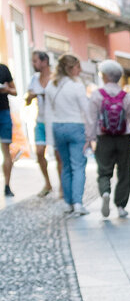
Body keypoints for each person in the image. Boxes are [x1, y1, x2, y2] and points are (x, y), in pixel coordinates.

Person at [87, 59, 130, 218]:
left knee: (104, 171)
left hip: (104, 138)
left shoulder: (97, 95)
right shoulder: (126, 96)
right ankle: (121, 206)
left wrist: (89, 140)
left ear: (104, 76)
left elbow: (91, 119)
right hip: (123, 137)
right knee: (124, 171)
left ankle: (105, 192)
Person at [44, 54, 91, 215]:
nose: (80, 70)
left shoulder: (51, 85)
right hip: (76, 126)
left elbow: (48, 112)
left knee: (66, 166)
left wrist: (50, 140)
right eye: (78, 67)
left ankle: (68, 202)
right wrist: (91, 132)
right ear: (70, 68)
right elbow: (86, 109)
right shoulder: (76, 86)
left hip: (58, 127)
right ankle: (78, 203)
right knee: (78, 166)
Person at [25, 49, 55, 196]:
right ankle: (47, 183)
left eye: (35, 60)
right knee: (39, 152)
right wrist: (31, 96)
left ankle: (62, 186)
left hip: (55, 120)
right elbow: (27, 100)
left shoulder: (55, 78)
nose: (33, 63)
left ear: (44, 62)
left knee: (58, 154)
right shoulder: (34, 79)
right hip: (41, 120)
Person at [0, 60, 16, 196]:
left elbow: (15, 90)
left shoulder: (4, 69)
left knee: (6, 152)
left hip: (4, 113)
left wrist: (6, 90)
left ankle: (7, 185)